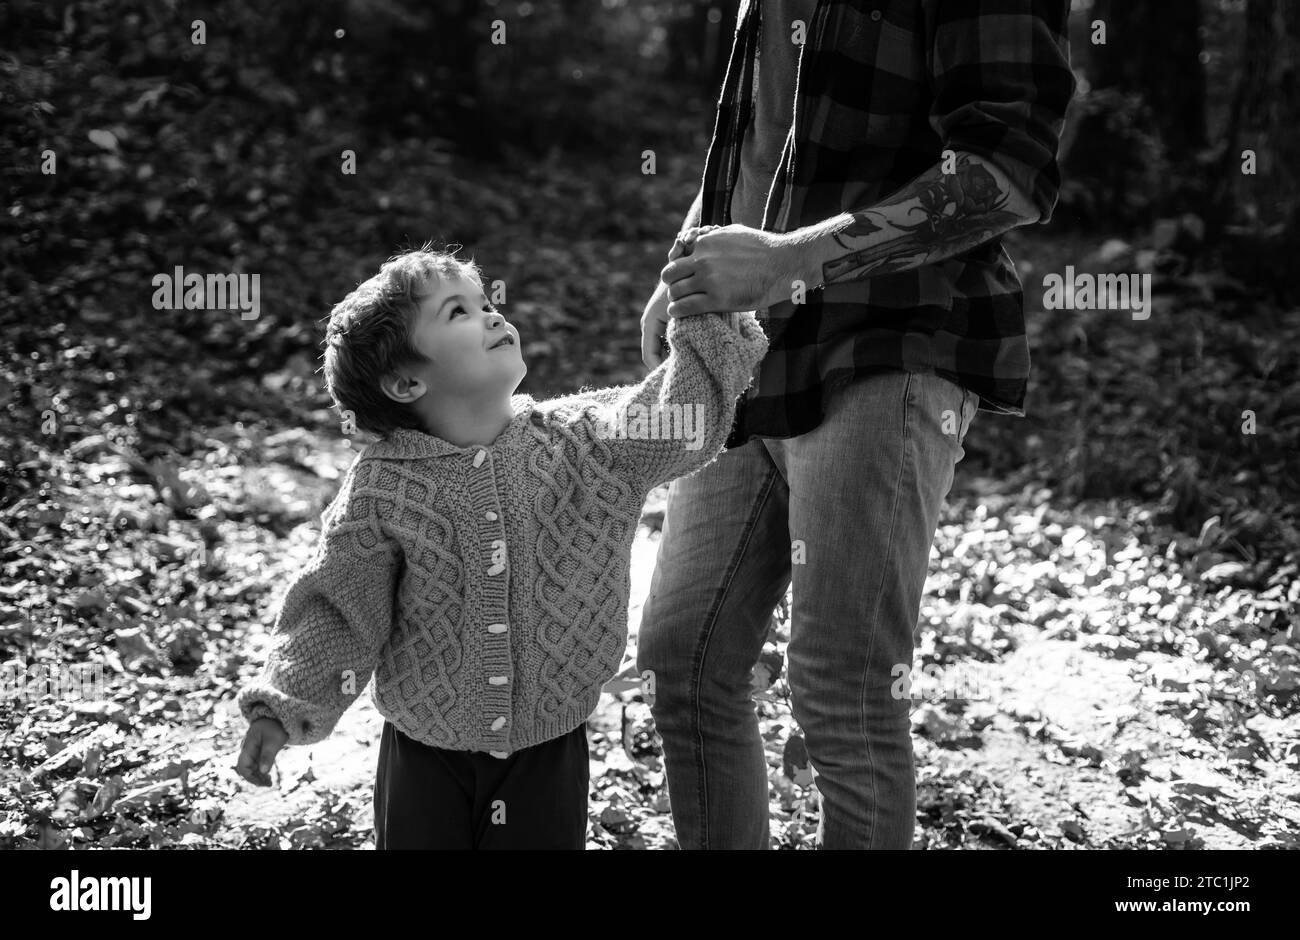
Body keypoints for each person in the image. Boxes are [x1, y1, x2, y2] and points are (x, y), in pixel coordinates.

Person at [637, 0, 1078, 849]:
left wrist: (791, 260)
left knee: (845, 691)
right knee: (683, 660)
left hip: (892, 342)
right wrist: (693, 247)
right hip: (744, 346)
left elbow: (1006, 173)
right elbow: (769, 127)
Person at [234, 241, 767, 849]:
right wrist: (285, 704)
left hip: (547, 749)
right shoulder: (385, 487)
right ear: (406, 380)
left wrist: (706, 315)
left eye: (485, 303)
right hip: (424, 751)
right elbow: (340, 605)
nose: (491, 315)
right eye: (457, 313)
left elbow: (682, 419)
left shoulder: (585, 443)